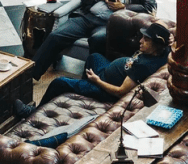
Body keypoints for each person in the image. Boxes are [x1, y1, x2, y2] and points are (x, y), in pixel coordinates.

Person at [30, 0, 156, 80]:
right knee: (55, 35)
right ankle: (30, 75)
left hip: (110, 24)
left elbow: (150, 9)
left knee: (97, 40)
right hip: (88, 17)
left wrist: (124, 7)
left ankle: (88, 80)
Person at [25, 21, 171, 110]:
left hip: (106, 89)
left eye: (146, 39)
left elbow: (121, 92)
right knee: (94, 57)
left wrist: (97, 81)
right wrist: (172, 37)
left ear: (157, 44)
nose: (140, 41)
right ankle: (82, 89)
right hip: (107, 71)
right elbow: (176, 42)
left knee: (59, 81)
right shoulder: (165, 51)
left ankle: (33, 110)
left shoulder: (143, 66)